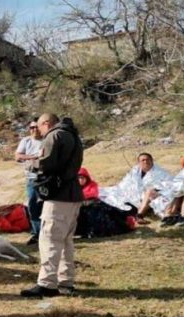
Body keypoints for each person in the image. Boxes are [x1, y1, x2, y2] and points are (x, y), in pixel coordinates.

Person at [20, 113, 83, 298]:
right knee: (65, 240)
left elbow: (47, 163)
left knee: (50, 239)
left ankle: (47, 283)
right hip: (71, 193)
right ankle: (66, 281)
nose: (38, 131)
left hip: (58, 195)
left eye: (39, 127)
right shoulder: (72, 135)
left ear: (46, 123)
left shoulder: (55, 135)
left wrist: (32, 162)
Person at [99, 153, 172, 224]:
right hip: (136, 194)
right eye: (143, 160)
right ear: (139, 162)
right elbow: (127, 183)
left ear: (152, 160)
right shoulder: (135, 171)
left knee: (149, 193)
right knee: (110, 194)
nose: (145, 162)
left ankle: (139, 215)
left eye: (147, 159)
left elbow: (169, 183)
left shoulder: (160, 172)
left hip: (152, 194)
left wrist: (155, 187)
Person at [75, 167, 136, 239]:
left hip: (92, 206)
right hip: (80, 208)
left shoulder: (91, 186)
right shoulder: (72, 188)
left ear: (87, 178)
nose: (81, 180)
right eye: (79, 178)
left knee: (105, 209)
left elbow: (92, 197)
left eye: (83, 178)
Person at [15, 120, 44, 245]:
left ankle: (47, 232)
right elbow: (18, 156)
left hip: (46, 177)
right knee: (33, 204)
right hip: (32, 177)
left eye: (36, 127)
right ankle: (36, 233)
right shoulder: (26, 141)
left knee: (46, 205)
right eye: (32, 127)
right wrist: (33, 157)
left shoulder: (47, 139)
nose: (34, 129)